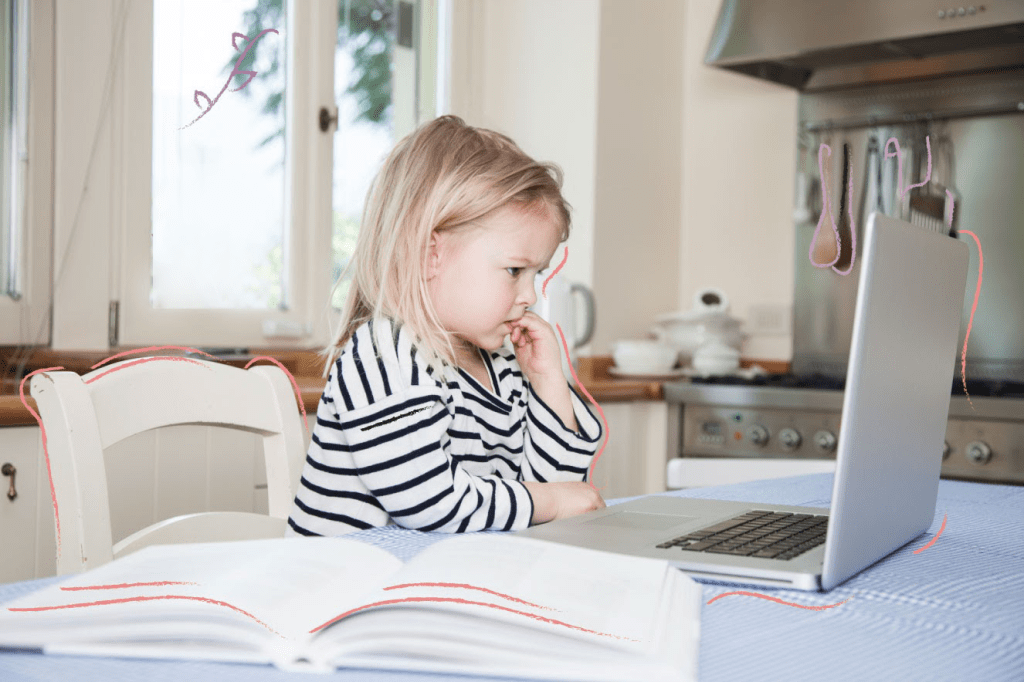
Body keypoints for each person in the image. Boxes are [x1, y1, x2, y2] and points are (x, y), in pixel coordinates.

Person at [286, 115, 605, 536]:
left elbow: (559, 505)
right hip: (341, 593)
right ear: (430, 254)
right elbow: (432, 505)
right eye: (514, 271)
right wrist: (551, 501)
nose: (530, 295)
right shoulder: (383, 357)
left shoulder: (504, 368)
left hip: (434, 585)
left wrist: (550, 385)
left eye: (536, 275)